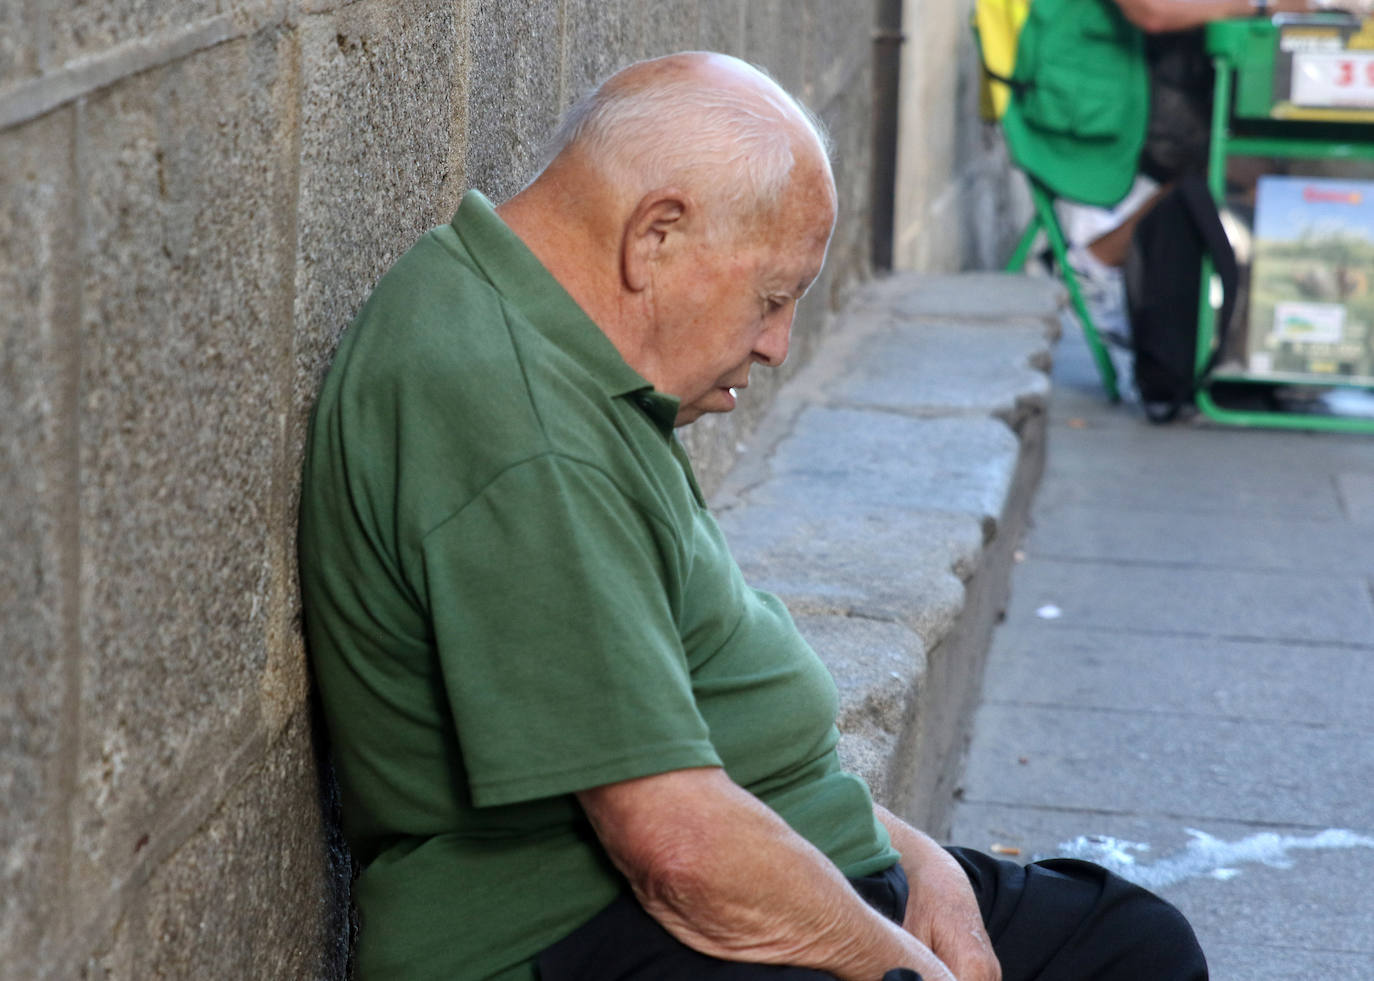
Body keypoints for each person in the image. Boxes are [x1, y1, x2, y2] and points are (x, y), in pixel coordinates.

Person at [298, 52, 1207, 981]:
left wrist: (916, 858)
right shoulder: (519, 423)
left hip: (733, 870)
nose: (776, 344)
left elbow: (699, 741)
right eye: (772, 299)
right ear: (656, 235)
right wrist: (906, 967)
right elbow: (676, 849)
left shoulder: (552, 343)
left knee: (1129, 943)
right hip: (574, 936)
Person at [1065, 0, 1374, 336]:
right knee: (1283, 162)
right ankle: (1096, 268)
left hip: (1201, 72)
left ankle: (1311, 337)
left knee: (1328, 155)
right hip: (1110, 88)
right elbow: (1152, 10)